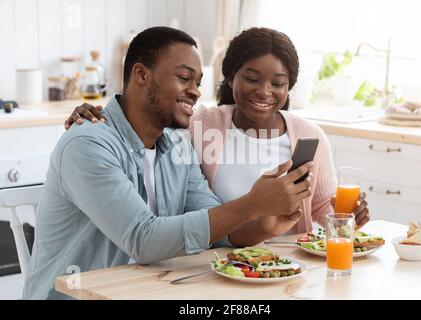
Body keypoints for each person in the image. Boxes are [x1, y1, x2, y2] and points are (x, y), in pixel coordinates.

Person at [25, 27, 313, 300]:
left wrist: (265, 222)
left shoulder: (177, 143)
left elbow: (215, 224)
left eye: (198, 83)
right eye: (184, 78)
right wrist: (251, 204)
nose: (196, 91)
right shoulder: (88, 144)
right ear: (141, 74)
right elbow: (143, 239)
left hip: (149, 290)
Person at [68, 27, 370, 241]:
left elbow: (322, 211)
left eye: (277, 83)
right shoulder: (193, 126)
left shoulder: (307, 135)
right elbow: (136, 117)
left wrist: (345, 215)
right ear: (231, 78)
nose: (264, 91)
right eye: (252, 78)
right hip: (215, 269)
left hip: (279, 267)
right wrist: (95, 113)